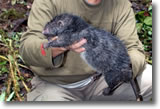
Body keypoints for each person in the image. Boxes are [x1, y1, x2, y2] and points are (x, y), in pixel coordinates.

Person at [20, 0, 152, 101]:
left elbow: (133, 49)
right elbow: (27, 48)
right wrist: (60, 46)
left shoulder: (120, 4)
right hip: (55, 85)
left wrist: (123, 69)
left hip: (101, 79)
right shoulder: (50, 2)